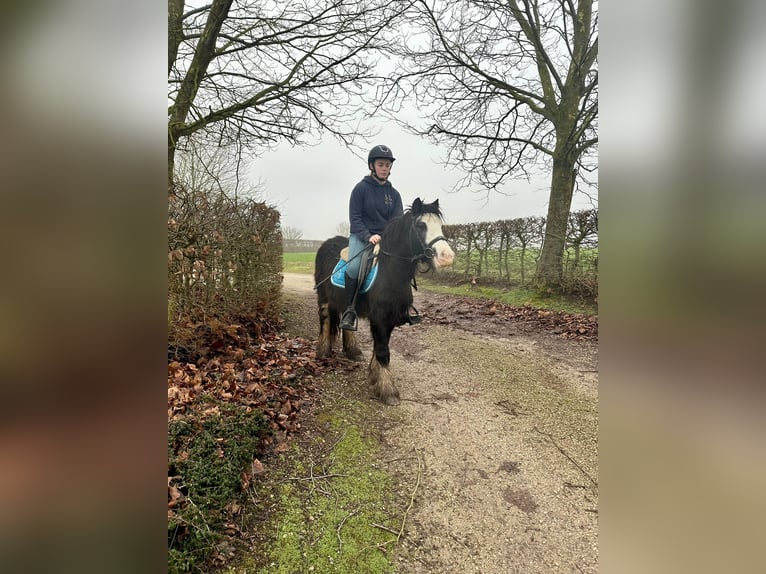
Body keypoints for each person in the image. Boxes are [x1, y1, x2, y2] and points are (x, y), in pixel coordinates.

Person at [339, 145, 404, 331]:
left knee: (401, 263)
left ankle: (402, 308)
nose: (384, 168)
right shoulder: (360, 189)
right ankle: (349, 310)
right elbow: (355, 219)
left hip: (386, 239)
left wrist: (387, 237)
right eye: (381, 164)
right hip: (362, 236)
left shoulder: (395, 194)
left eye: (387, 165)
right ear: (372, 166)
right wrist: (369, 236)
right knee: (354, 266)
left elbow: (397, 221)